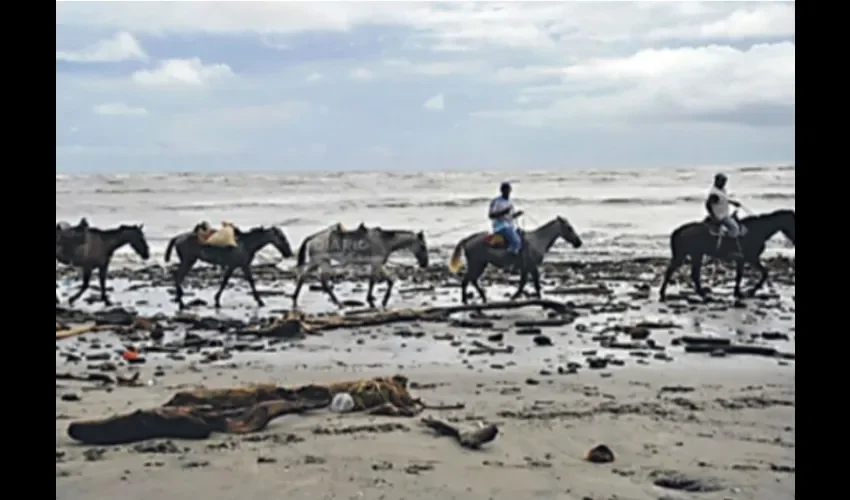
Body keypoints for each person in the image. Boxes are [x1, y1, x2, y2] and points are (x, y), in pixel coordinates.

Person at [705, 173, 743, 257]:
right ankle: (728, 248)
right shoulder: (714, 193)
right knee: (735, 228)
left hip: (724, 213)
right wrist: (714, 217)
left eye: (724, 182)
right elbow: (708, 204)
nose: (724, 183)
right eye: (722, 181)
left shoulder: (722, 190)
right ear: (716, 181)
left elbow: (723, 200)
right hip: (721, 216)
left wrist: (733, 202)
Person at [489, 182, 523, 259]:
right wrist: (503, 212)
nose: (507, 192)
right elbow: (491, 215)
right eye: (505, 191)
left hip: (510, 225)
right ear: (502, 191)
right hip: (500, 226)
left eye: (509, 190)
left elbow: (510, 216)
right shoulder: (496, 201)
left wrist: (517, 214)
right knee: (516, 242)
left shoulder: (510, 201)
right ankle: (509, 259)